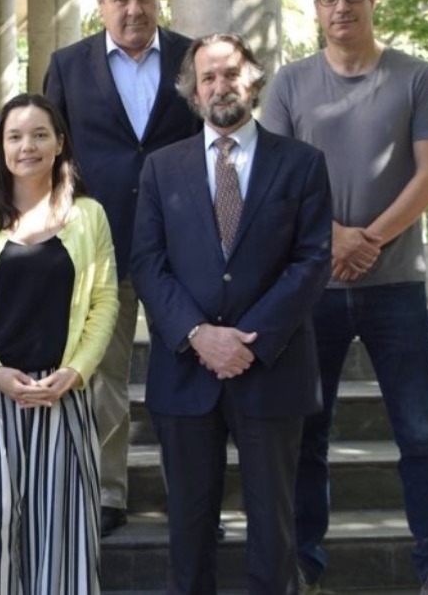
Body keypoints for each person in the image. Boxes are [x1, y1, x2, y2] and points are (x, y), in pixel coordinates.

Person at [264, 0, 428, 595]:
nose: (341, 7)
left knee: (421, 432)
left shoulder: (417, 77)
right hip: (311, 289)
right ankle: (305, 566)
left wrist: (368, 240)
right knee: (308, 435)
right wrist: (333, 238)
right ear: (316, 6)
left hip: (395, 286)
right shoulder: (290, 85)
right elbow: (275, 184)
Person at [131, 33, 332, 594]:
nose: (220, 86)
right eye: (208, 78)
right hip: (186, 371)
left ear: (253, 80)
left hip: (272, 367)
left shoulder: (302, 164)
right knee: (189, 530)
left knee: (274, 528)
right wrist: (199, 335)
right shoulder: (161, 169)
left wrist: (249, 341)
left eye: (230, 74)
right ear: (193, 92)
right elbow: (147, 263)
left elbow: (312, 261)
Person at [43, 0, 200, 536]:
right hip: (98, 250)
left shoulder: (193, 58)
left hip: (181, 250)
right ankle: (108, 493)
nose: (134, 9)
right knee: (102, 376)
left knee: (185, 372)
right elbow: (53, 155)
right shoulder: (68, 65)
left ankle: (190, 495)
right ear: (101, 4)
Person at [0, 93, 119, 594]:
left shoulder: (89, 215)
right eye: (15, 136)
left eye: (40, 135)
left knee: (63, 540)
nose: (28, 146)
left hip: (62, 395)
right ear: (0, 146)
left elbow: (105, 302)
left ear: (60, 143)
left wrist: (77, 372)